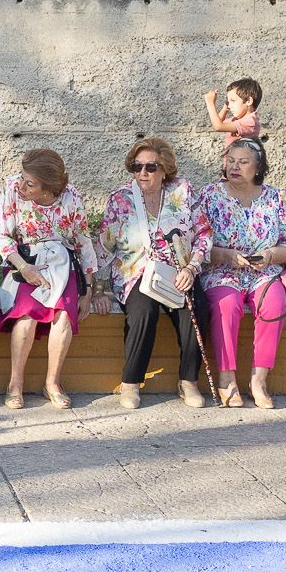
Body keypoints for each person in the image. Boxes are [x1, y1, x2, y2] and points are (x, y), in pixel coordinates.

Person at [192, 137, 286, 409]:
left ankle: (258, 380)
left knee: (274, 304)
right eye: (231, 161)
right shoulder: (209, 195)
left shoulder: (274, 197)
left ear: (257, 167)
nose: (235, 167)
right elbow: (197, 243)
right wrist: (227, 255)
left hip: (263, 271)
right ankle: (227, 380)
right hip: (221, 270)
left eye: (243, 162)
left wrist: (270, 255)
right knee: (226, 306)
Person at [101, 136, 208, 409]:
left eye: (151, 167)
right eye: (137, 167)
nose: (143, 173)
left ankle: (188, 381)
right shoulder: (120, 200)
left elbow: (204, 234)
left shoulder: (182, 193)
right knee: (143, 311)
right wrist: (95, 289)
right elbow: (104, 246)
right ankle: (131, 383)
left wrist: (192, 268)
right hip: (135, 271)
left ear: (165, 170)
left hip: (177, 269)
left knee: (195, 306)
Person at [0, 146, 100, 410]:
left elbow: (83, 241)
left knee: (64, 313)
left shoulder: (70, 197)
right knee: (27, 314)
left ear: (48, 188)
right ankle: (15, 384)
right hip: (25, 259)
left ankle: (52, 382)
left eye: (30, 183)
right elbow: (3, 237)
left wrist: (88, 290)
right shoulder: (11, 189)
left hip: (62, 263)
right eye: (22, 177)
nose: (21, 185)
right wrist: (23, 268)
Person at [204, 78, 264, 154]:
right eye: (228, 101)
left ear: (248, 101)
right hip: (233, 164)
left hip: (242, 165)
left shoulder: (250, 122)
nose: (230, 105)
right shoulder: (237, 119)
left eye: (233, 100)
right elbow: (217, 122)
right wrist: (225, 108)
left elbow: (218, 126)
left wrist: (210, 104)